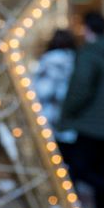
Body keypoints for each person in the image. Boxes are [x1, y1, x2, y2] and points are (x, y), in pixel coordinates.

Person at [60, 12, 104, 208]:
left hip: (90, 125)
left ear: (86, 28)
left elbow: (80, 90)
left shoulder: (89, 53)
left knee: (79, 169)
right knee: (99, 172)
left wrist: (67, 114)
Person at [32, 29, 78, 165]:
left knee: (51, 161)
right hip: (71, 117)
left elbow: (43, 90)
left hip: (50, 117)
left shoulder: (48, 61)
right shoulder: (76, 59)